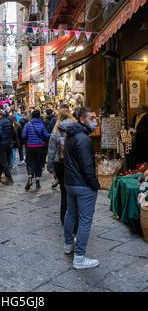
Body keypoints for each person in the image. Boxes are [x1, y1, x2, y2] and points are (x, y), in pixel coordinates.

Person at [60, 107, 100, 270]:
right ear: (83, 119)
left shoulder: (71, 135)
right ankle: (79, 258)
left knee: (71, 214)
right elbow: (87, 166)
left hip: (70, 182)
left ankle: (68, 245)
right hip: (82, 184)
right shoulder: (83, 139)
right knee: (85, 219)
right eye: (92, 117)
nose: (95, 120)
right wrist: (94, 184)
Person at [47, 108, 76, 224]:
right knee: (73, 190)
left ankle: (64, 217)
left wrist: (50, 168)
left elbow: (51, 151)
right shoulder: (75, 129)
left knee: (64, 191)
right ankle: (74, 215)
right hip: (73, 164)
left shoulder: (55, 132)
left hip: (59, 163)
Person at [23, 109, 50, 191]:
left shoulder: (27, 124)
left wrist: (29, 140)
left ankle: (30, 177)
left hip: (30, 146)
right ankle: (37, 182)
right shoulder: (41, 124)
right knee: (39, 163)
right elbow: (46, 135)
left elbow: (23, 135)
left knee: (30, 163)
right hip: (40, 147)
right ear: (39, 116)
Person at [0, 109, 14, 185]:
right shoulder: (8, 121)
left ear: (0, 115)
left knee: (4, 162)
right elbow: (12, 132)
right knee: (1, 161)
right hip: (8, 144)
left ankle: (9, 178)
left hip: (1, 144)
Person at [129, 104, 148, 168]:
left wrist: (137, 133)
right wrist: (131, 132)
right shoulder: (135, 117)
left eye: (139, 108)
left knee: (142, 157)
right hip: (135, 140)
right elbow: (132, 126)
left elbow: (146, 129)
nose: (137, 109)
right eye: (137, 108)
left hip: (143, 140)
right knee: (135, 157)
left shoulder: (146, 117)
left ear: (143, 109)